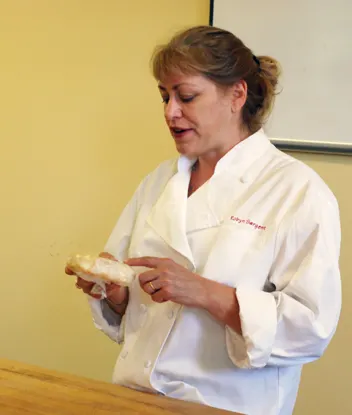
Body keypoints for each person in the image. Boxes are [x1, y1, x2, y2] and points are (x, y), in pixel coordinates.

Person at [66, 26, 341, 415]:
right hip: (133, 398)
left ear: (237, 94)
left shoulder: (297, 191)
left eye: (186, 96)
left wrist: (204, 292)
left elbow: (310, 329)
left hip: (225, 406)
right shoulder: (160, 181)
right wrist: (116, 294)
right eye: (164, 96)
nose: (170, 112)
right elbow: (139, 310)